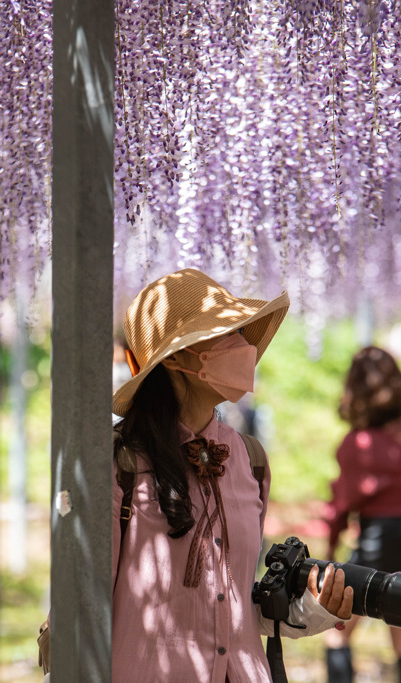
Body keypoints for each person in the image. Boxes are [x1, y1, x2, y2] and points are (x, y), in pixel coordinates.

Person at [110, 268, 354, 682]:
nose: (243, 346)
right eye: (226, 332)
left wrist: (311, 612)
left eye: (241, 331)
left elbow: (232, 604)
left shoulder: (250, 460)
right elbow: (82, 606)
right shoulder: (119, 463)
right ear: (174, 357)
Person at [322, 346, 401, 683]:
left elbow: (342, 504)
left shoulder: (355, 444)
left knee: (338, 632)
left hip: (377, 539)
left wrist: (331, 547)